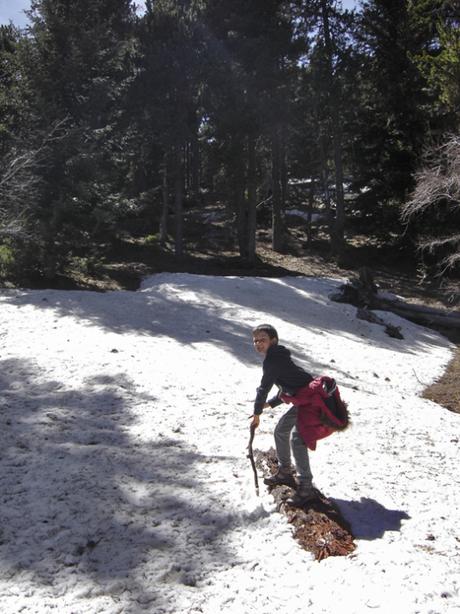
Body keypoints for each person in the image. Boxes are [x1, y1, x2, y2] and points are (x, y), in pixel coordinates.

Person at [250, 323, 316, 506]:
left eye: (262, 340)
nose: (258, 344)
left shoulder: (274, 359)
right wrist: (268, 405)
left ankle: (306, 487)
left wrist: (257, 413)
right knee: (281, 431)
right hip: (304, 400)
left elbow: (264, 387)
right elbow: (287, 387)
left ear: (274, 340)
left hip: (312, 401)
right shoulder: (276, 357)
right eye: (255, 340)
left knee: (297, 439)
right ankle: (285, 471)